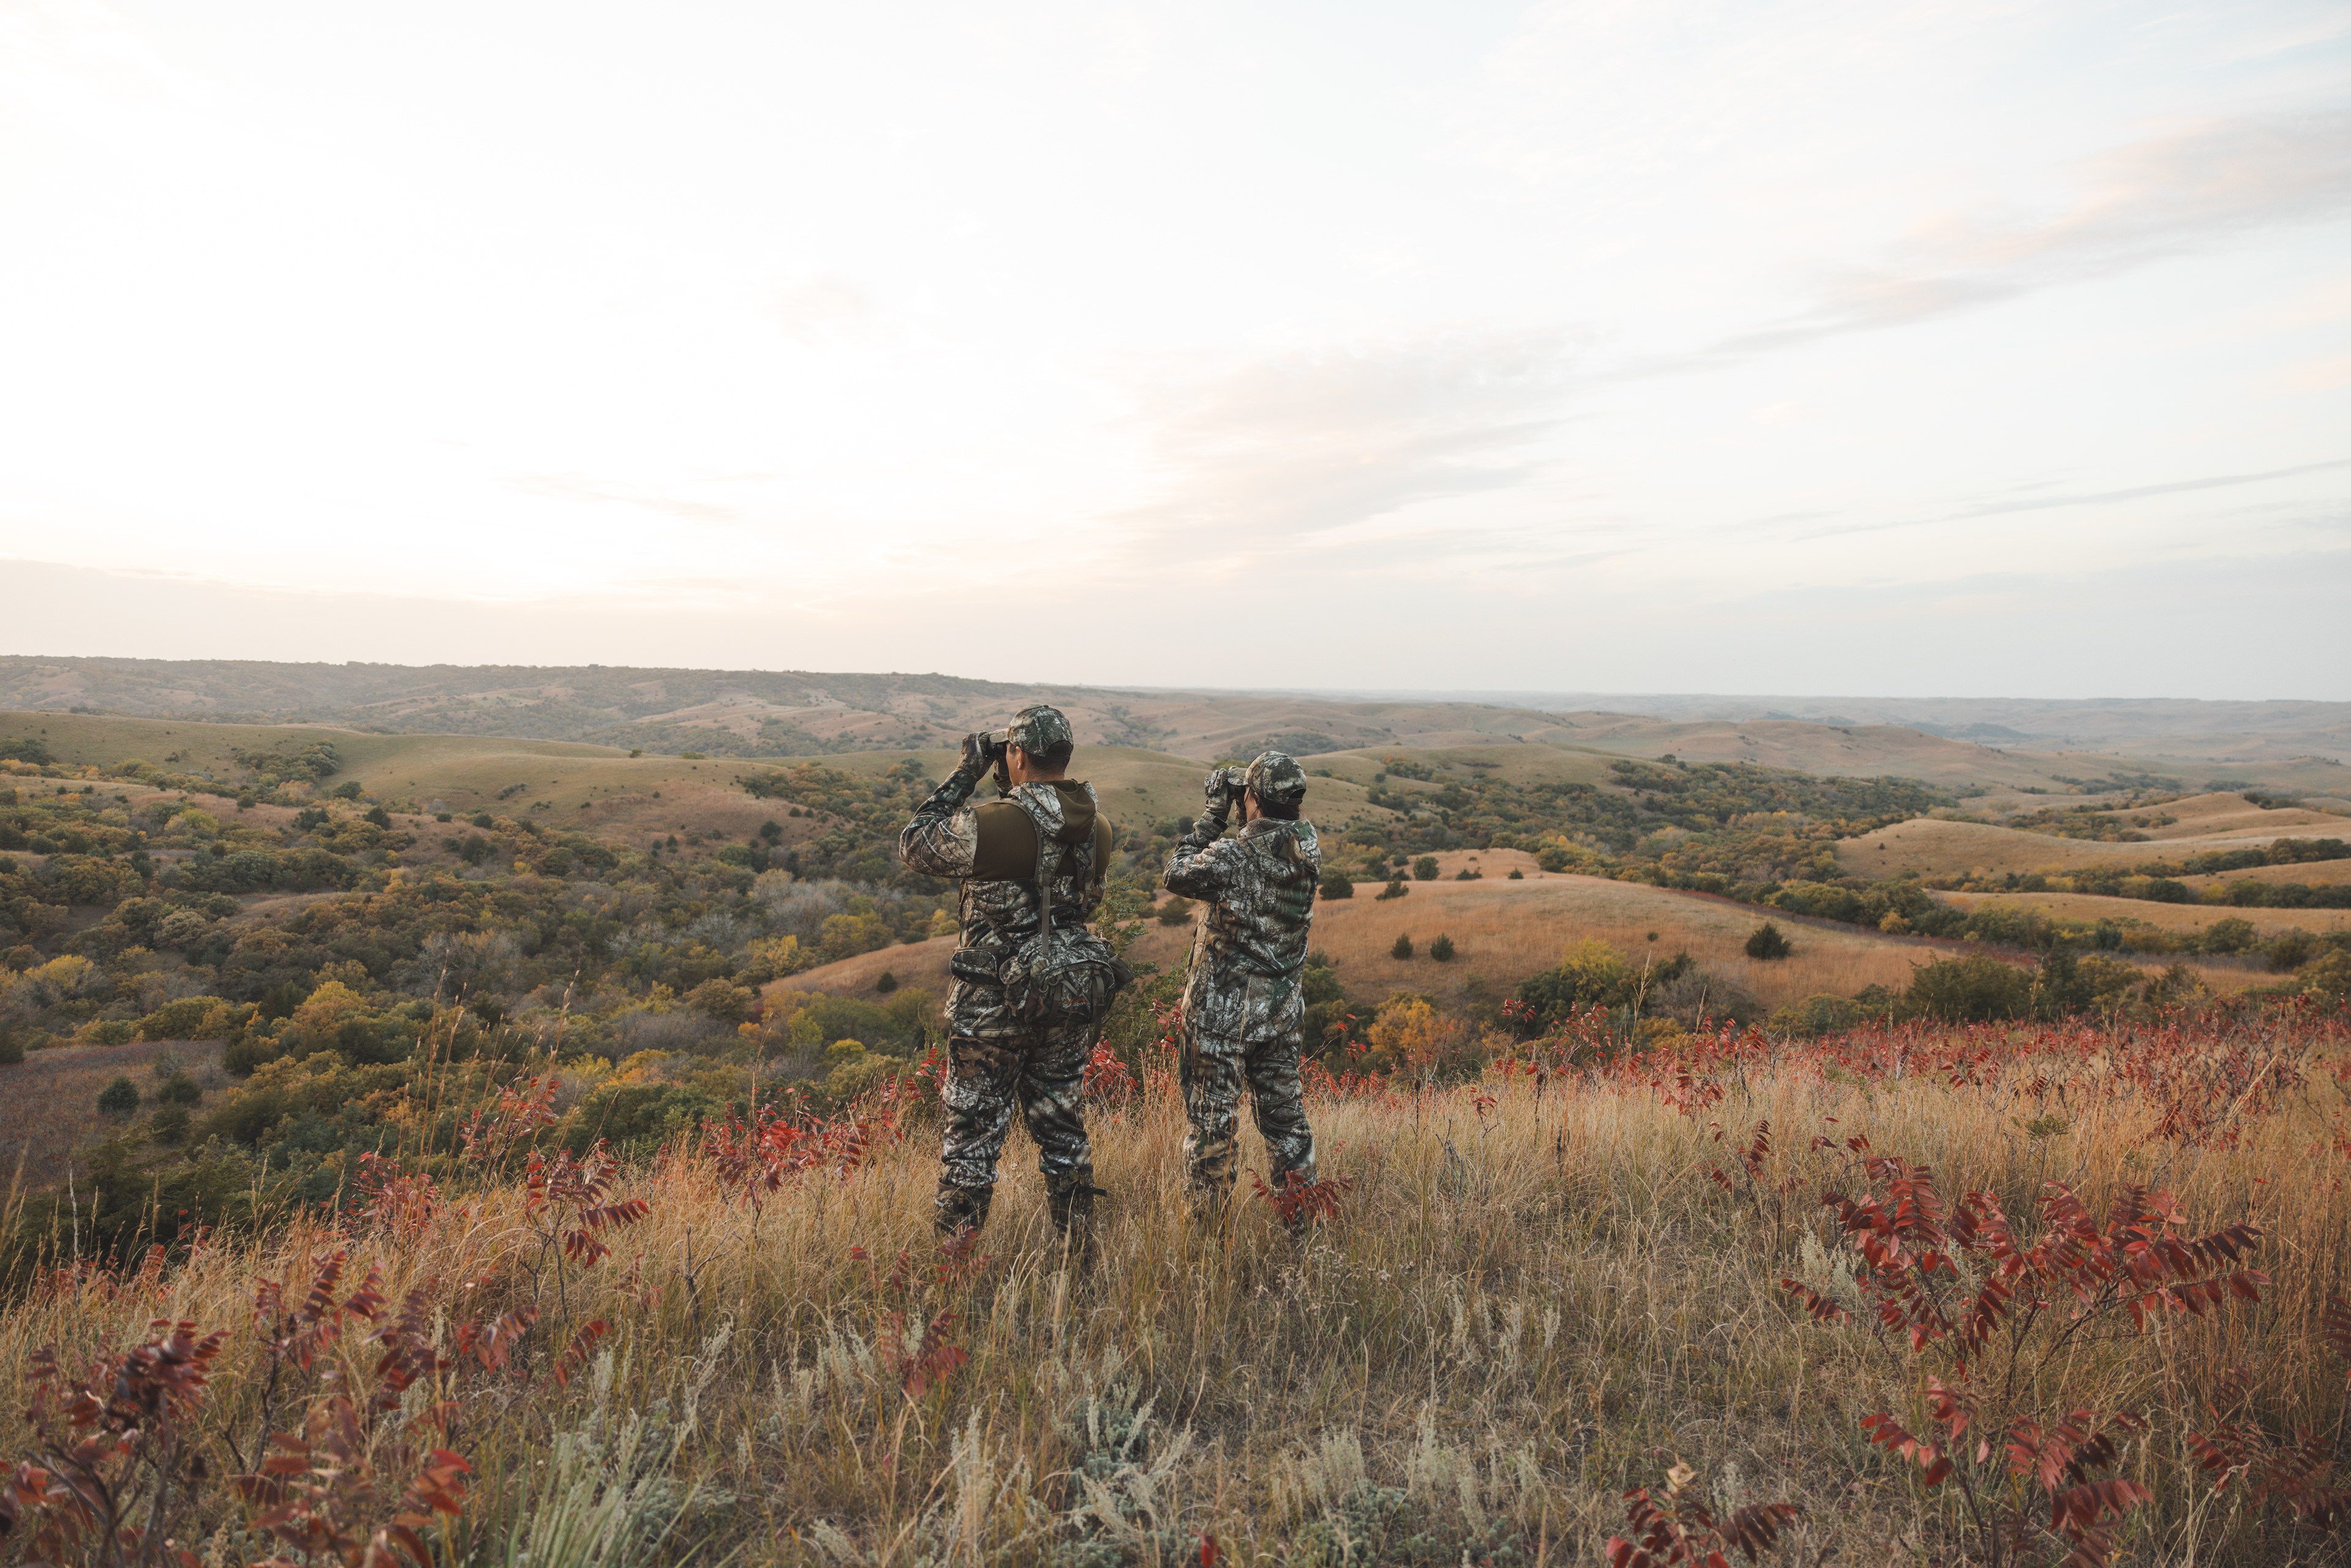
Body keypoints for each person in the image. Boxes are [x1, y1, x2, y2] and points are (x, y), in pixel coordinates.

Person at [899, 703, 1116, 1240]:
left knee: (970, 1146)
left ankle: (957, 1268)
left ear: (1016, 754)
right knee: (1064, 1135)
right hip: (1064, 1000)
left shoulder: (990, 826)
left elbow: (916, 842)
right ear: (1066, 756)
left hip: (990, 1010)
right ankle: (1078, 1258)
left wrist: (966, 772)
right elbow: (1085, 902)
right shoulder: (1098, 829)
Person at [1163, 749, 1320, 1223]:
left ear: (1251, 798)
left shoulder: (1232, 856)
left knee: (1214, 1129)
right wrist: (1248, 809)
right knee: (1287, 1125)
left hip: (1221, 1020)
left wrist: (1214, 814)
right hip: (1280, 1013)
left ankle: (1210, 1246)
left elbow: (1177, 871)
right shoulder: (1308, 846)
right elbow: (1262, 846)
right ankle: (1302, 1227)